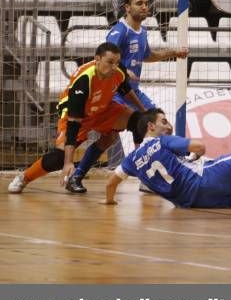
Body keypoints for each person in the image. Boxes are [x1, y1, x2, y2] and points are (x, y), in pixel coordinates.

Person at [66, 0, 188, 190]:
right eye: (138, 3)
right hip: (115, 93)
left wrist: (173, 52)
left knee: (162, 124)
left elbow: (147, 55)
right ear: (127, 7)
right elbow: (108, 57)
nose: (144, 7)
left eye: (145, 3)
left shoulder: (143, 32)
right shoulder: (119, 31)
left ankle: (148, 178)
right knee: (113, 137)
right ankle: (76, 176)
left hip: (134, 92)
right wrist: (122, 70)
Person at [102, 109, 231, 213]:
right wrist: (193, 156)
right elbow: (200, 147)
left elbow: (111, 183)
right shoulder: (163, 141)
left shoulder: (131, 159)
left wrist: (110, 201)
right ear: (150, 127)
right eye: (163, 122)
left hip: (190, 203)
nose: (168, 126)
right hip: (204, 178)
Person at [8, 43, 146, 194]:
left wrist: (144, 110)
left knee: (138, 122)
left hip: (102, 109)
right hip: (76, 114)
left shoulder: (118, 71)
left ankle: (139, 171)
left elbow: (125, 90)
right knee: (60, 157)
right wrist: (68, 162)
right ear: (97, 59)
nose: (114, 66)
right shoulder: (84, 81)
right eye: (110, 62)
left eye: (117, 62)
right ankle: (24, 177)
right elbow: (74, 125)